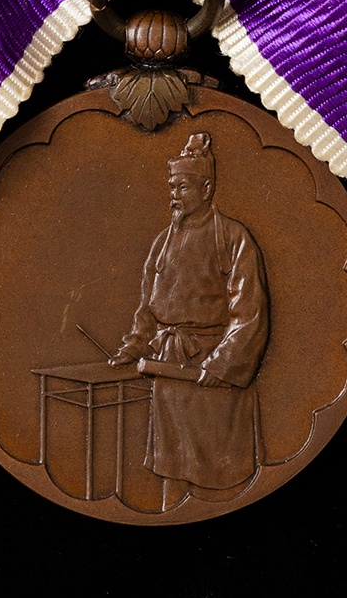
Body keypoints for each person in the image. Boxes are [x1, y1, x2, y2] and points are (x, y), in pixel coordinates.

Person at [109, 132, 268, 494]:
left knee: (219, 474)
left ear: (207, 188)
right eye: (172, 187)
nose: (174, 195)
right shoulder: (162, 242)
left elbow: (250, 313)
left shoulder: (233, 237)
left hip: (211, 374)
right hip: (169, 371)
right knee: (173, 471)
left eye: (182, 187)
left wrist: (221, 364)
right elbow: (148, 308)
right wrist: (134, 346)